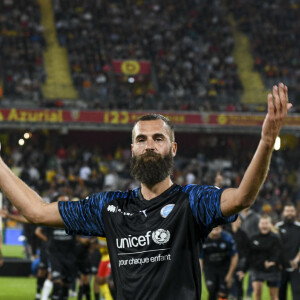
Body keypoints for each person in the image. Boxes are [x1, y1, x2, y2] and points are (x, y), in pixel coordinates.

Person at [0, 83, 291, 299]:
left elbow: (242, 198)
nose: (149, 145)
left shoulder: (192, 202)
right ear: (132, 150)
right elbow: (36, 212)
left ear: (172, 148)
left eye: (158, 138)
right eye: (141, 139)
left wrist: (266, 141)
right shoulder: (109, 207)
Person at [199, 226, 238, 300]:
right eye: (212, 230)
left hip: (224, 269)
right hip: (209, 269)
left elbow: (234, 256)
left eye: (217, 230)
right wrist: (198, 274)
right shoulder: (203, 238)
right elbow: (200, 259)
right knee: (212, 290)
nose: (214, 232)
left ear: (221, 229)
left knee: (223, 293)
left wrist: (230, 275)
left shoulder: (227, 238)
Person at [248, 215, 281, 300]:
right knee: (257, 294)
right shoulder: (253, 238)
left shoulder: (276, 238)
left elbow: (278, 253)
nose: (264, 225)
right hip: (257, 269)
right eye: (263, 223)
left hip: (273, 269)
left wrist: (271, 262)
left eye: (266, 223)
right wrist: (262, 263)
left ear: (270, 225)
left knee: (274, 296)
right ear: (259, 225)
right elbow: (251, 255)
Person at [275, 203, 300, 300]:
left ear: (295, 213)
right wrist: (278, 262)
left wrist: (297, 259)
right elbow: (275, 247)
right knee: (281, 294)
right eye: (287, 211)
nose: (289, 213)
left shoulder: (299, 227)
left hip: (296, 268)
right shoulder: (278, 227)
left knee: (297, 293)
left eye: (291, 211)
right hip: (281, 267)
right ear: (283, 213)